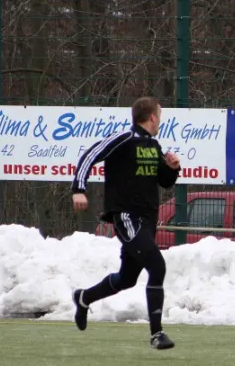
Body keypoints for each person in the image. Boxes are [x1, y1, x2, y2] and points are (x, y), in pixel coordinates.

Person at [70, 96, 181, 350]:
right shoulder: (124, 138)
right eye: (159, 114)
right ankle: (157, 334)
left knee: (127, 279)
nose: (160, 119)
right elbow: (90, 155)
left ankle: (84, 298)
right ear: (152, 116)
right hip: (127, 217)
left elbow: (163, 181)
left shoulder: (153, 145)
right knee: (157, 265)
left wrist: (173, 168)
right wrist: (78, 188)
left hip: (148, 219)